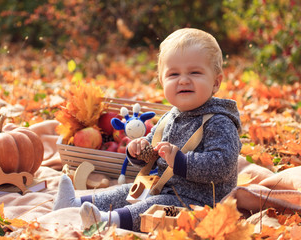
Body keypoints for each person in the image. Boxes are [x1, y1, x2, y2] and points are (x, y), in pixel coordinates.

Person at [53, 28, 242, 232]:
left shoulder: (219, 121)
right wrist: (138, 150)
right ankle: (74, 203)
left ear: (216, 82)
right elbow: (152, 151)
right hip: (161, 185)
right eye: (173, 74)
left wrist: (181, 161)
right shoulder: (171, 117)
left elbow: (223, 164)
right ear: (162, 81)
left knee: (154, 207)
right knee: (126, 191)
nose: (184, 80)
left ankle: (108, 221)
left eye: (195, 72)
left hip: (199, 203)